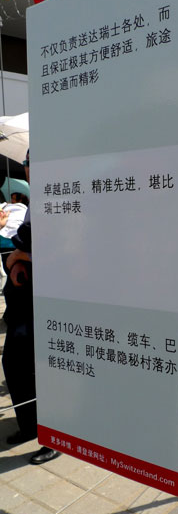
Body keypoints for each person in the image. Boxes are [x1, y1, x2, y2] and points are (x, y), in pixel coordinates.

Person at [2, 150, 61, 464]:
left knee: (44, 368)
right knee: (14, 362)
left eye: (33, 164)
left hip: (50, 297)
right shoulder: (35, 201)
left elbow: (61, 254)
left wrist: (19, 258)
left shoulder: (59, 198)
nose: (28, 170)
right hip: (26, 298)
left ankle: (55, 437)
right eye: (27, 165)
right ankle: (29, 426)